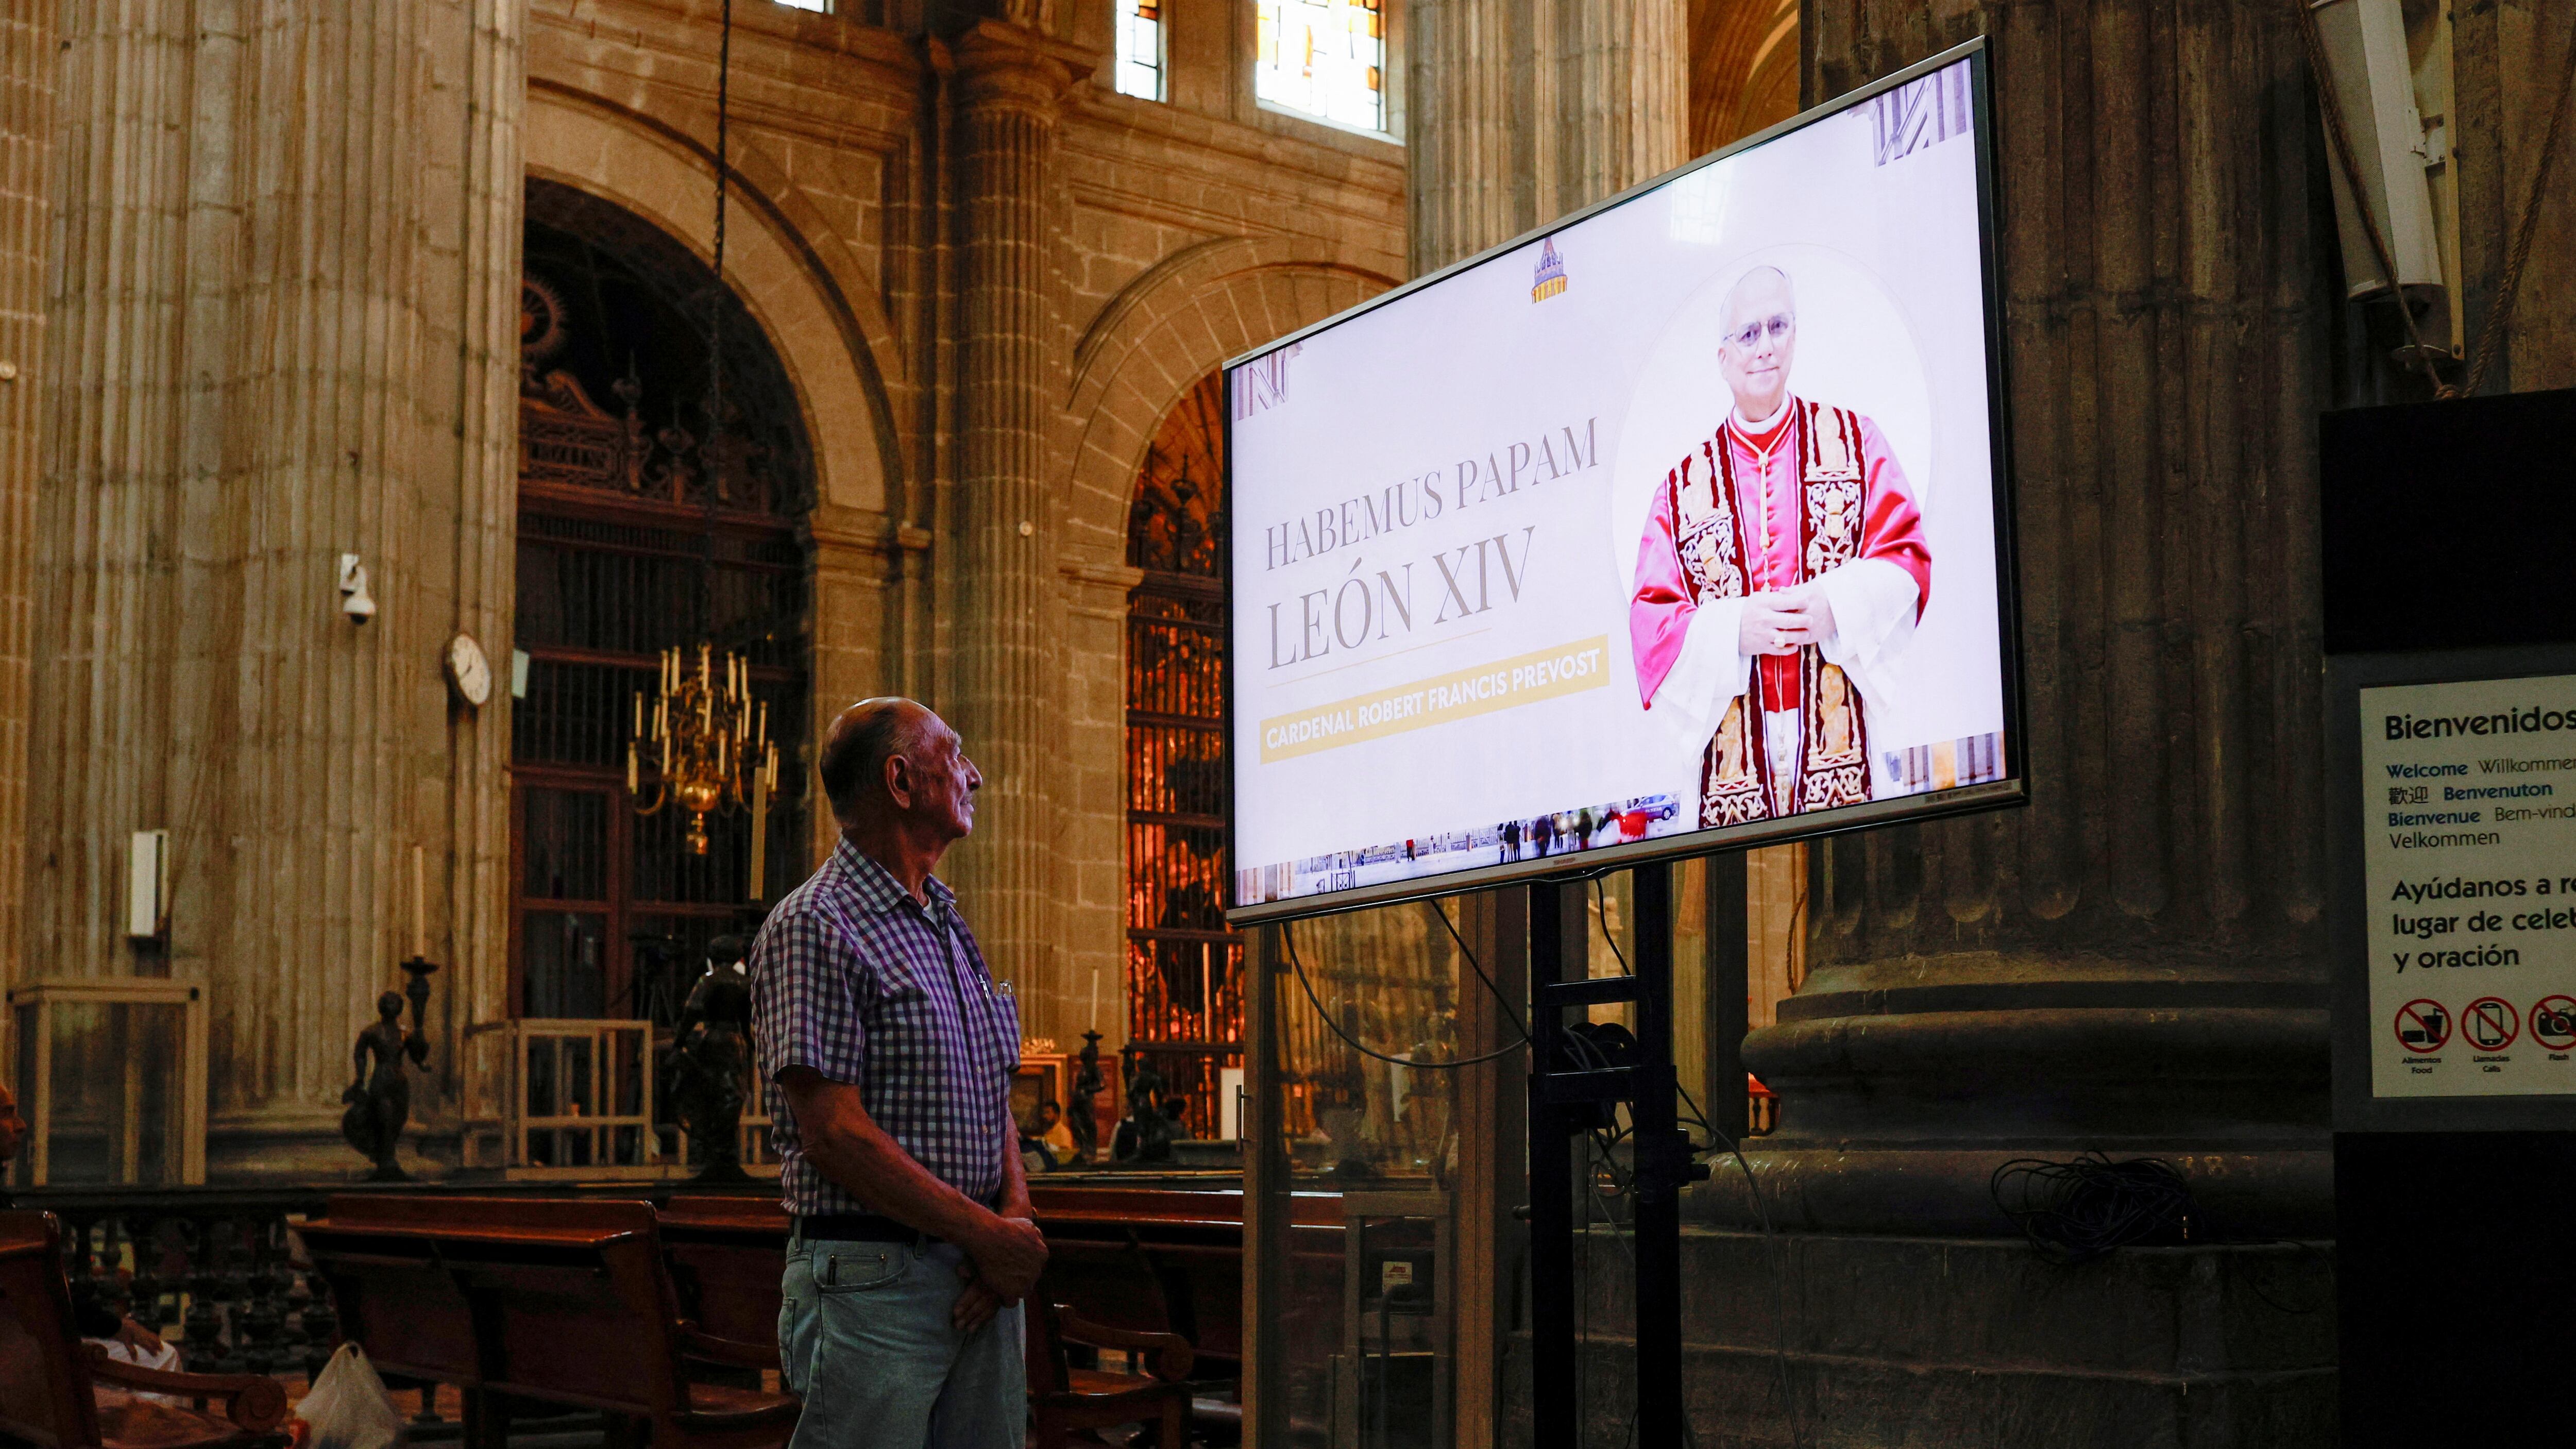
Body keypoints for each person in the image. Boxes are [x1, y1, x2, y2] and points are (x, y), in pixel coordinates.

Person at [749, 698, 1041, 1449]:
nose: (973, 774)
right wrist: (987, 1233)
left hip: (977, 1278)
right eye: (955, 755)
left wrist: (1009, 1225)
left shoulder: (947, 922)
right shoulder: (816, 923)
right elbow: (834, 1135)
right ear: (902, 781)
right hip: (873, 1281)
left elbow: (991, 1099)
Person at [1630, 264, 1932, 827]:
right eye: (1747, 334)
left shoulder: (1854, 441)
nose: (1764, 347)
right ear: (1722, 359)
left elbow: (1907, 558)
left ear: (1795, 336)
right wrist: (1732, 630)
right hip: (1732, 751)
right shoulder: (1679, 489)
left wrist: (1837, 606)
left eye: (1777, 327)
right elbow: (1651, 630)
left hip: (1841, 730)